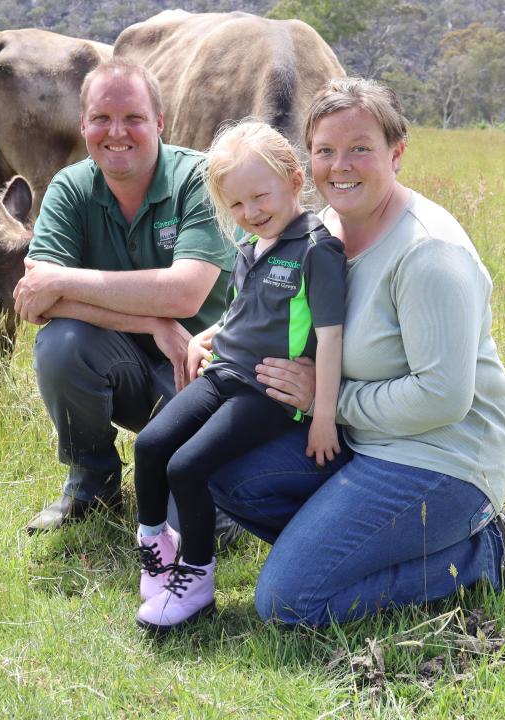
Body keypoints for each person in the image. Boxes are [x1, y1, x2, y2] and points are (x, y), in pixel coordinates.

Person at [204, 78, 505, 627]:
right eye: (326, 150)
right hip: (358, 442)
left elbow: (444, 398)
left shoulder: (429, 255)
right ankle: (350, 549)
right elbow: (279, 308)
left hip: (439, 458)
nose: (340, 165)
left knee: (287, 603)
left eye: (360, 148)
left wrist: (329, 401)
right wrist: (218, 337)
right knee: (217, 465)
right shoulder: (323, 229)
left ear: (396, 153)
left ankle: (481, 553)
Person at [132, 121, 346, 632]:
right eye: (236, 205)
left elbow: (332, 338)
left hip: (268, 392)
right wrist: (209, 335)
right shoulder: (251, 247)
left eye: (260, 196)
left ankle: (197, 580)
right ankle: (156, 548)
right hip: (223, 372)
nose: (250, 213)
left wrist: (324, 417)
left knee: (187, 467)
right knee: (150, 445)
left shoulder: (318, 251)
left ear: (296, 181)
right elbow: (244, 311)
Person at [11, 58, 234, 533]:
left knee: (201, 522)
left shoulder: (199, 179)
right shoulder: (70, 188)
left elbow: (185, 295)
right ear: (83, 125)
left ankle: (219, 489)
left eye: (133, 118)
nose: (117, 132)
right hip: (127, 366)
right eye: (101, 119)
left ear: (158, 122)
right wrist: (154, 323)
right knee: (62, 342)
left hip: (203, 373)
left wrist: (64, 281)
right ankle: (91, 483)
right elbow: (36, 302)